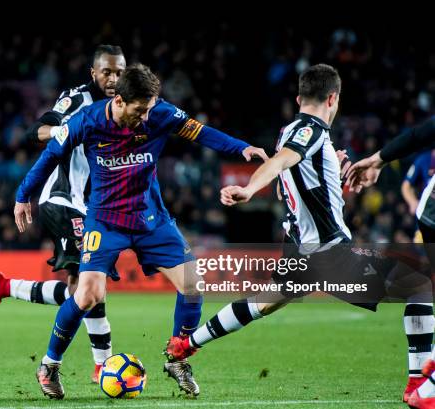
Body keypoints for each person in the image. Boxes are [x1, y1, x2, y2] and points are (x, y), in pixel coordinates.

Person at [163, 65, 433, 405]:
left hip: (301, 250)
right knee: (419, 286)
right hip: (328, 252)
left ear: (298, 97)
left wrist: (329, 167)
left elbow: (287, 185)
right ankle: (418, 387)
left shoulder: (288, 130)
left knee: (264, 302)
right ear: (333, 98)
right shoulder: (310, 129)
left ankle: (185, 346)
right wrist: (248, 189)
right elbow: (280, 165)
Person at [14, 63, 268, 399]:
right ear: (118, 101)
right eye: (140, 111)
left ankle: (178, 357)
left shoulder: (159, 112)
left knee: (193, 284)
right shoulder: (85, 120)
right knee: (88, 294)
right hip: (104, 220)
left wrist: (240, 148)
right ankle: (49, 365)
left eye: (150, 110)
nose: (147, 118)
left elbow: (199, 132)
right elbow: (48, 156)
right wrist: (22, 196)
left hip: (151, 220)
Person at [0, 45, 126, 382]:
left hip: (86, 206)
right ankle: (101, 364)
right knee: (88, 283)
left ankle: (4, 287)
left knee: (84, 290)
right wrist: (64, 132)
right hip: (60, 199)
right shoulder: (77, 99)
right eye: (107, 72)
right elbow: (37, 131)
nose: (113, 79)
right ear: (93, 73)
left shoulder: (124, 105)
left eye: (119, 72)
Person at [347, 116, 435, 408]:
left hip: (429, 210)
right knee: (419, 285)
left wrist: (378, 159)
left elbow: (420, 132)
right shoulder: (422, 162)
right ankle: (428, 388)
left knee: (421, 286)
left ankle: (424, 381)